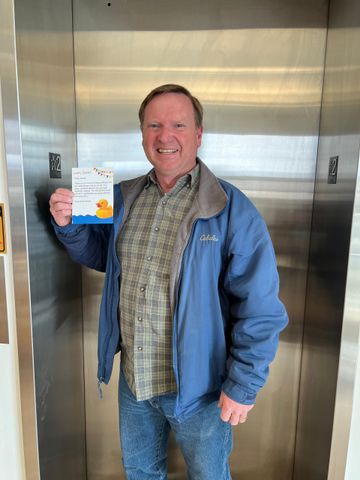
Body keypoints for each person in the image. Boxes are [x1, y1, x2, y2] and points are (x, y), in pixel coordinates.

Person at [49, 84, 288, 479]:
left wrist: (243, 384)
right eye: (154, 125)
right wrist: (68, 225)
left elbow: (260, 308)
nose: (165, 136)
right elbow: (104, 256)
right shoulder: (122, 198)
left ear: (198, 133)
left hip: (202, 391)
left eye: (178, 124)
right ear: (142, 134)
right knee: (141, 472)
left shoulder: (231, 210)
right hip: (135, 381)